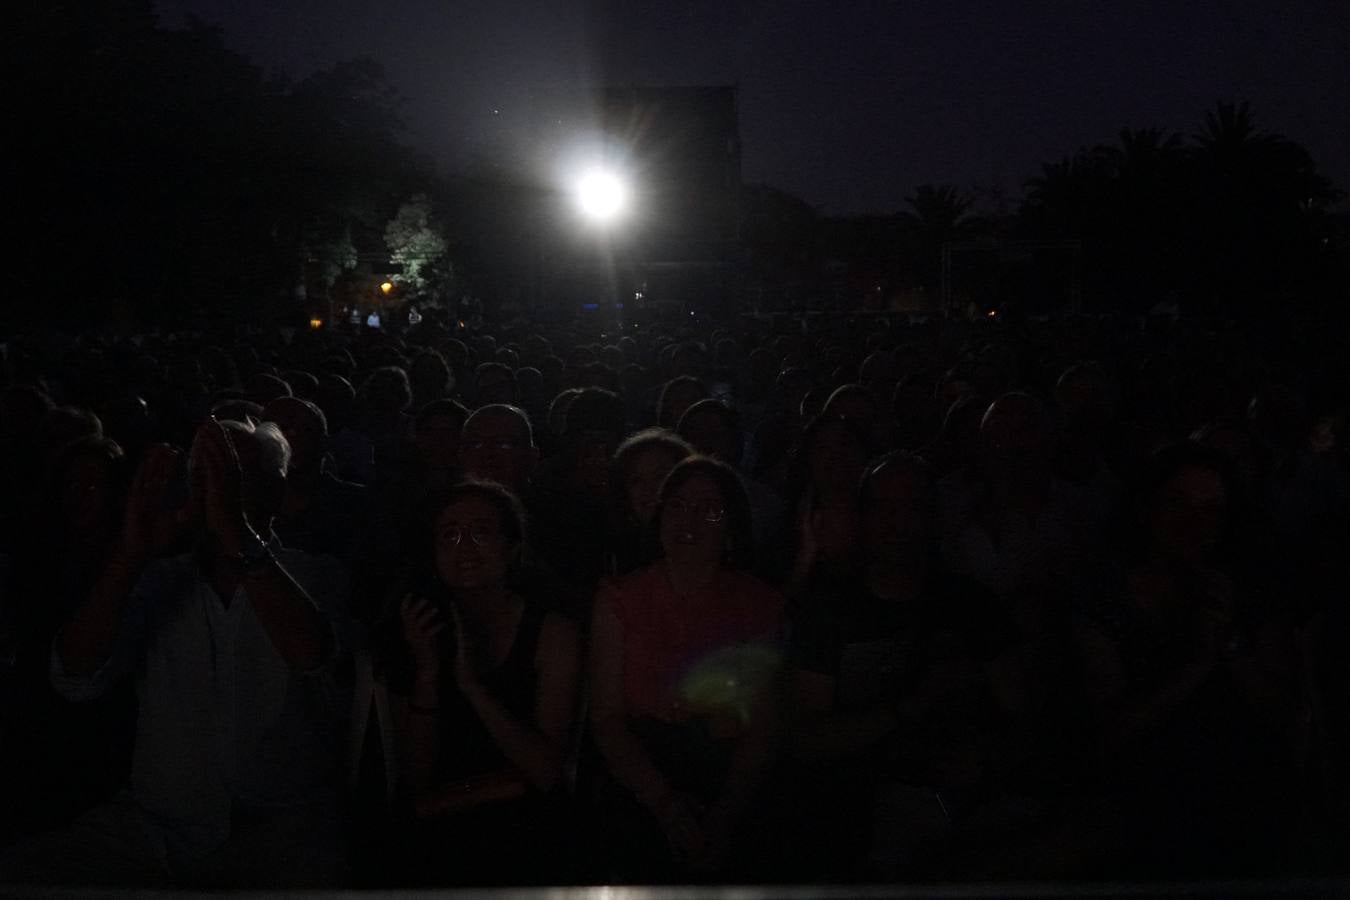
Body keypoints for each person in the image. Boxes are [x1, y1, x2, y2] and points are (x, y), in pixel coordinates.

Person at [2, 418, 350, 887]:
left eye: (237, 474)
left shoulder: (317, 573)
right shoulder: (161, 579)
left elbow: (312, 654)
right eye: (207, 476)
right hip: (159, 826)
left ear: (277, 485)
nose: (220, 490)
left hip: (285, 830)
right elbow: (75, 675)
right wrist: (129, 554)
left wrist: (237, 532)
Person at [589, 457, 785, 880]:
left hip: (728, 773)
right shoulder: (620, 598)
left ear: (732, 526)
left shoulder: (758, 604)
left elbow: (766, 726)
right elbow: (606, 718)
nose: (689, 519)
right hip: (641, 772)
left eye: (709, 508)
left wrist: (726, 812)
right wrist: (664, 804)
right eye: (677, 505)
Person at [385, 481, 581, 885]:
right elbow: (414, 777)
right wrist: (427, 673)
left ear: (511, 547)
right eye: (450, 534)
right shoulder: (416, 622)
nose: (464, 546)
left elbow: (545, 772)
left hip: (527, 821)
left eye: (481, 532)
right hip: (439, 821)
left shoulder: (551, 631)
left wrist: (474, 688)